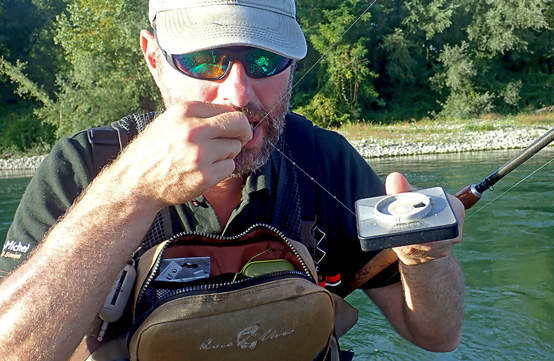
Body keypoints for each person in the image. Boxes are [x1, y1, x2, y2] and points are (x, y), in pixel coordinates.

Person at [0, 0, 465, 360]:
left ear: (292, 64)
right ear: (154, 59)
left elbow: (437, 336)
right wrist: (130, 192)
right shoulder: (82, 167)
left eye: (264, 61)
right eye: (204, 61)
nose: (238, 92)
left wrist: (428, 258)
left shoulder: (325, 161)